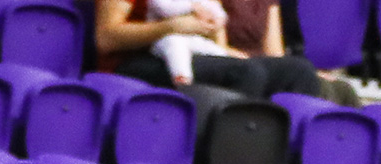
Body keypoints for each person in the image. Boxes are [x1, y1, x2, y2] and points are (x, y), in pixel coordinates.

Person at [94, 0, 341, 101]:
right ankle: (226, 161)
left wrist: (224, 50)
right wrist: (168, 27)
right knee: (247, 74)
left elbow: (214, 23)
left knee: (298, 71)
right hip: (139, 59)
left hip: (198, 52)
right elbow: (106, 38)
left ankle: (279, 163)